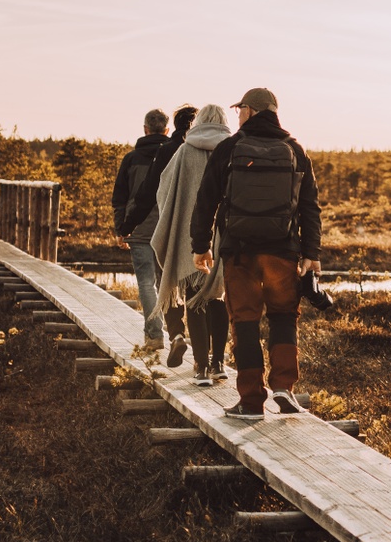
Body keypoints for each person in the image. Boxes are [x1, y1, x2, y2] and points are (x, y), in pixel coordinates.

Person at [191, 87, 321, 419]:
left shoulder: (230, 148)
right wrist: (311, 252)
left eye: (240, 110)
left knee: (245, 321)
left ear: (250, 110)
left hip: (240, 253)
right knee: (283, 317)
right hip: (283, 252)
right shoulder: (294, 149)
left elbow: (207, 200)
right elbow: (309, 206)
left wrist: (200, 247)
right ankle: (283, 388)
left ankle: (250, 401)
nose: (237, 116)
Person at [149, 103, 232, 382]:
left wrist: (176, 217)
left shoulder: (185, 151)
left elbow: (165, 189)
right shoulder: (233, 149)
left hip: (192, 235)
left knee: (195, 299)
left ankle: (201, 367)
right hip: (224, 235)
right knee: (218, 298)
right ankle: (219, 363)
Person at [110, 108, 179, 340]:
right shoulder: (175, 155)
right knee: (166, 283)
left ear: (145, 129)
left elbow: (119, 197)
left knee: (146, 284)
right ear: (167, 130)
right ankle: (173, 333)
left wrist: (121, 229)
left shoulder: (131, 159)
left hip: (138, 229)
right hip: (167, 229)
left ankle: (154, 334)